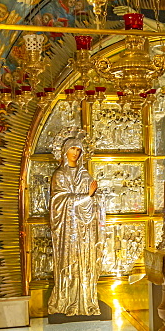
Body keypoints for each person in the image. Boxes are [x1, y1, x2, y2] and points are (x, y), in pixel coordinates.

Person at [48, 129, 103, 316]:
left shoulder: (85, 176)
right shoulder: (59, 176)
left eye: (79, 150)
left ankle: (86, 299)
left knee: (84, 263)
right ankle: (67, 300)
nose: (76, 153)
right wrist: (85, 196)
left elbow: (94, 199)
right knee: (69, 263)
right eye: (72, 149)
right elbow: (58, 202)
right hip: (67, 231)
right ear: (64, 151)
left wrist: (96, 198)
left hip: (84, 230)